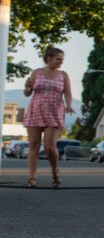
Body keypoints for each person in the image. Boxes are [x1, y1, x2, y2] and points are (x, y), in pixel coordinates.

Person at [22, 45, 74, 188]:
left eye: (62, 60)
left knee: (49, 146)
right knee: (33, 145)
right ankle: (32, 178)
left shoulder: (63, 75)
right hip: (35, 110)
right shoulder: (36, 73)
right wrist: (27, 87)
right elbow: (27, 93)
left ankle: (54, 171)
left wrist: (69, 105)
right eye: (58, 59)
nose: (61, 62)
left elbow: (68, 93)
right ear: (49, 58)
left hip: (54, 111)